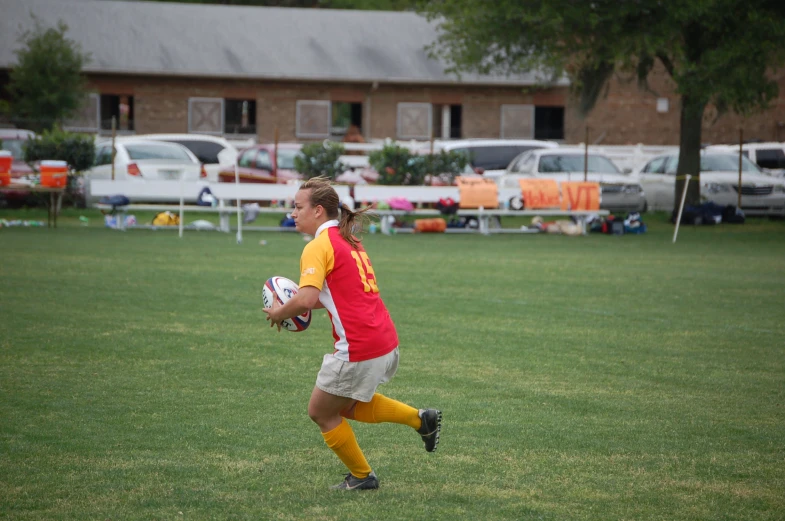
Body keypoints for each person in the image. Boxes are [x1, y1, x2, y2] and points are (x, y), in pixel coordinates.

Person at [263, 176, 441, 491]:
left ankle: (362, 477)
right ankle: (420, 419)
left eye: (298, 207)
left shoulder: (318, 246)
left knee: (320, 412)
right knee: (342, 406)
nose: (293, 212)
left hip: (359, 346)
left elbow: (305, 299)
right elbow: (336, 294)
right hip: (384, 339)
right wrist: (295, 305)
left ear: (318, 211)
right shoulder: (349, 238)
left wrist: (280, 311)